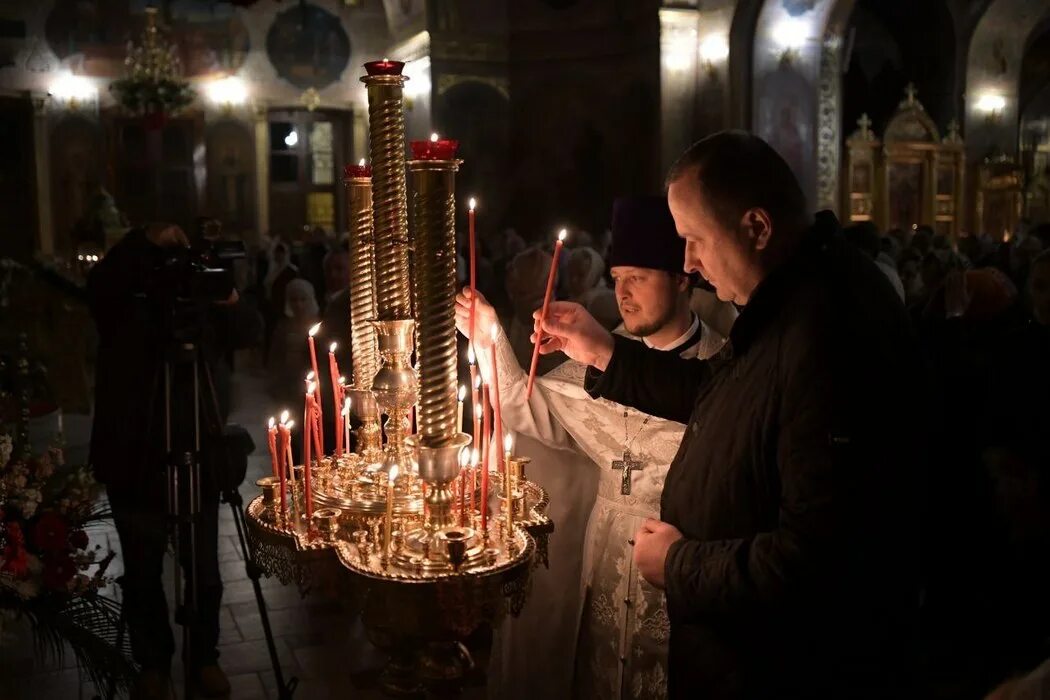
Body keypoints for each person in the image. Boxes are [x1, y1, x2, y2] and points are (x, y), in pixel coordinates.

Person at [533, 131, 923, 698]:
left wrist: (679, 564)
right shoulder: (789, 301)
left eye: (693, 238)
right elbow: (722, 392)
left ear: (757, 228)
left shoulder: (829, 330)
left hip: (788, 669)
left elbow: (819, 559)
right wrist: (604, 352)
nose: (686, 261)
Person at [460, 196, 733, 699]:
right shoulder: (600, 351)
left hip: (682, 566)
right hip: (603, 555)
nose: (623, 293)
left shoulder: (725, 369)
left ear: (682, 279)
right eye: (617, 276)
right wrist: (488, 338)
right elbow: (530, 410)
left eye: (640, 277)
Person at [88, 223, 260, 700]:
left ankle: (204, 657)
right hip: (135, 456)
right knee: (142, 571)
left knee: (204, 571)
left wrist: (223, 294)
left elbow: (250, 328)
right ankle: (153, 665)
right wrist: (143, 244)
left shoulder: (201, 307)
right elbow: (98, 286)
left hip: (198, 453)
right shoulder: (123, 304)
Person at [565, 246, 621, 330]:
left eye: (581, 275)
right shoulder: (573, 297)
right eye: (571, 273)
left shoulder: (604, 300)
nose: (573, 280)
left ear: (594, 273)